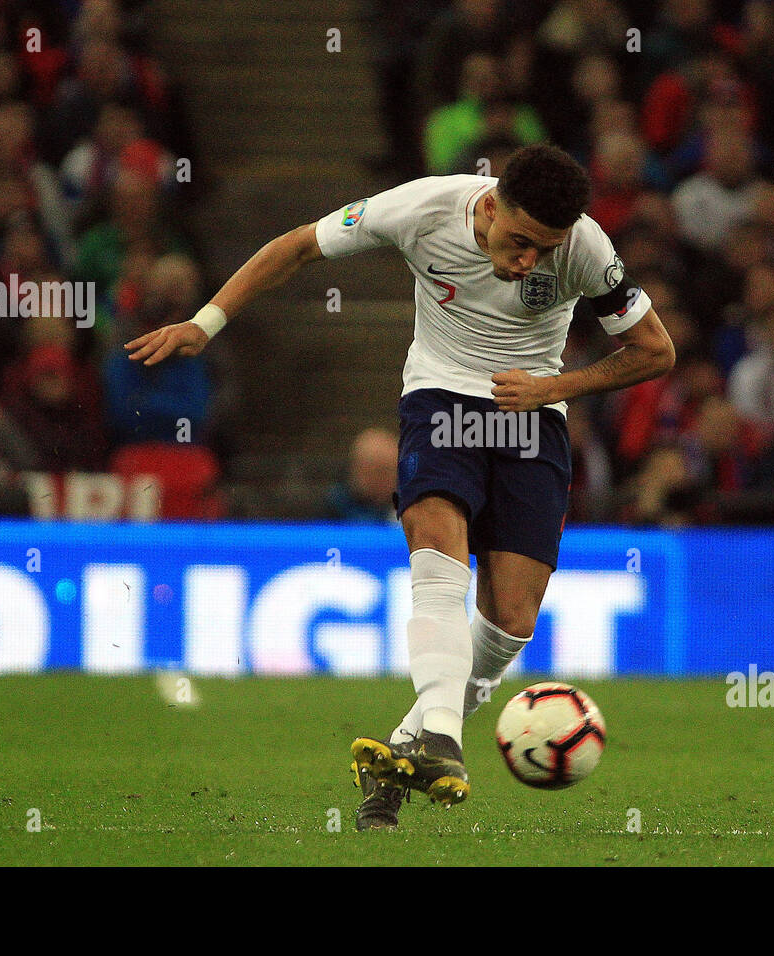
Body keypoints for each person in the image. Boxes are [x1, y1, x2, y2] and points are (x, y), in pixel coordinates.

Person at [124, 144, 675, 829]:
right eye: (521, 242)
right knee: (438, 549)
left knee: (512, 620)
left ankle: (404, 750)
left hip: (533, 417)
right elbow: (297, 247)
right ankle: (443, 735)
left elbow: (656, 351)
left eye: (546, 249)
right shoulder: (419, 209)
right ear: (491, 202)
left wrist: (555, 387)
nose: (531, 260)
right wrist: (205, 322)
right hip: (440, 401)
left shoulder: (587, 247)